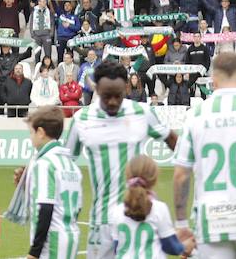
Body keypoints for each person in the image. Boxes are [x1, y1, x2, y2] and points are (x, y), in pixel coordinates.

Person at [64, 60, 178, 259]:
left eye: (118, 96)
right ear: (96, 89)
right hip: (102, 221)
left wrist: (195, 162)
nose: (113, 102)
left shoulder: (141, 112)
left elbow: (171, 138)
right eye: (106, 96)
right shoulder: (81, 119)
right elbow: (64, 162)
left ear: (127, 87)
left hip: (139, 214)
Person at [172, 50, 236, 258]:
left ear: (213, 81)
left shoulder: (195, 115)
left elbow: (181, 174)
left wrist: (181, 224)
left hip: (212, 219)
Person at [21, 105, 83, 259]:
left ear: (40, 133)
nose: (31, 137)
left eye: (31, 132)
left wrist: (34, 251)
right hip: (70, 236)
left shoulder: (45, 163)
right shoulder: (71, 164)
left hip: (52, 242)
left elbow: (46, 207)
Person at [114, 155, 184, 259]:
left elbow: (116, 247)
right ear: (154, 179)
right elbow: (171, 247)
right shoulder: (159, 208)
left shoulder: (117, 210)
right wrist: (184, 246)